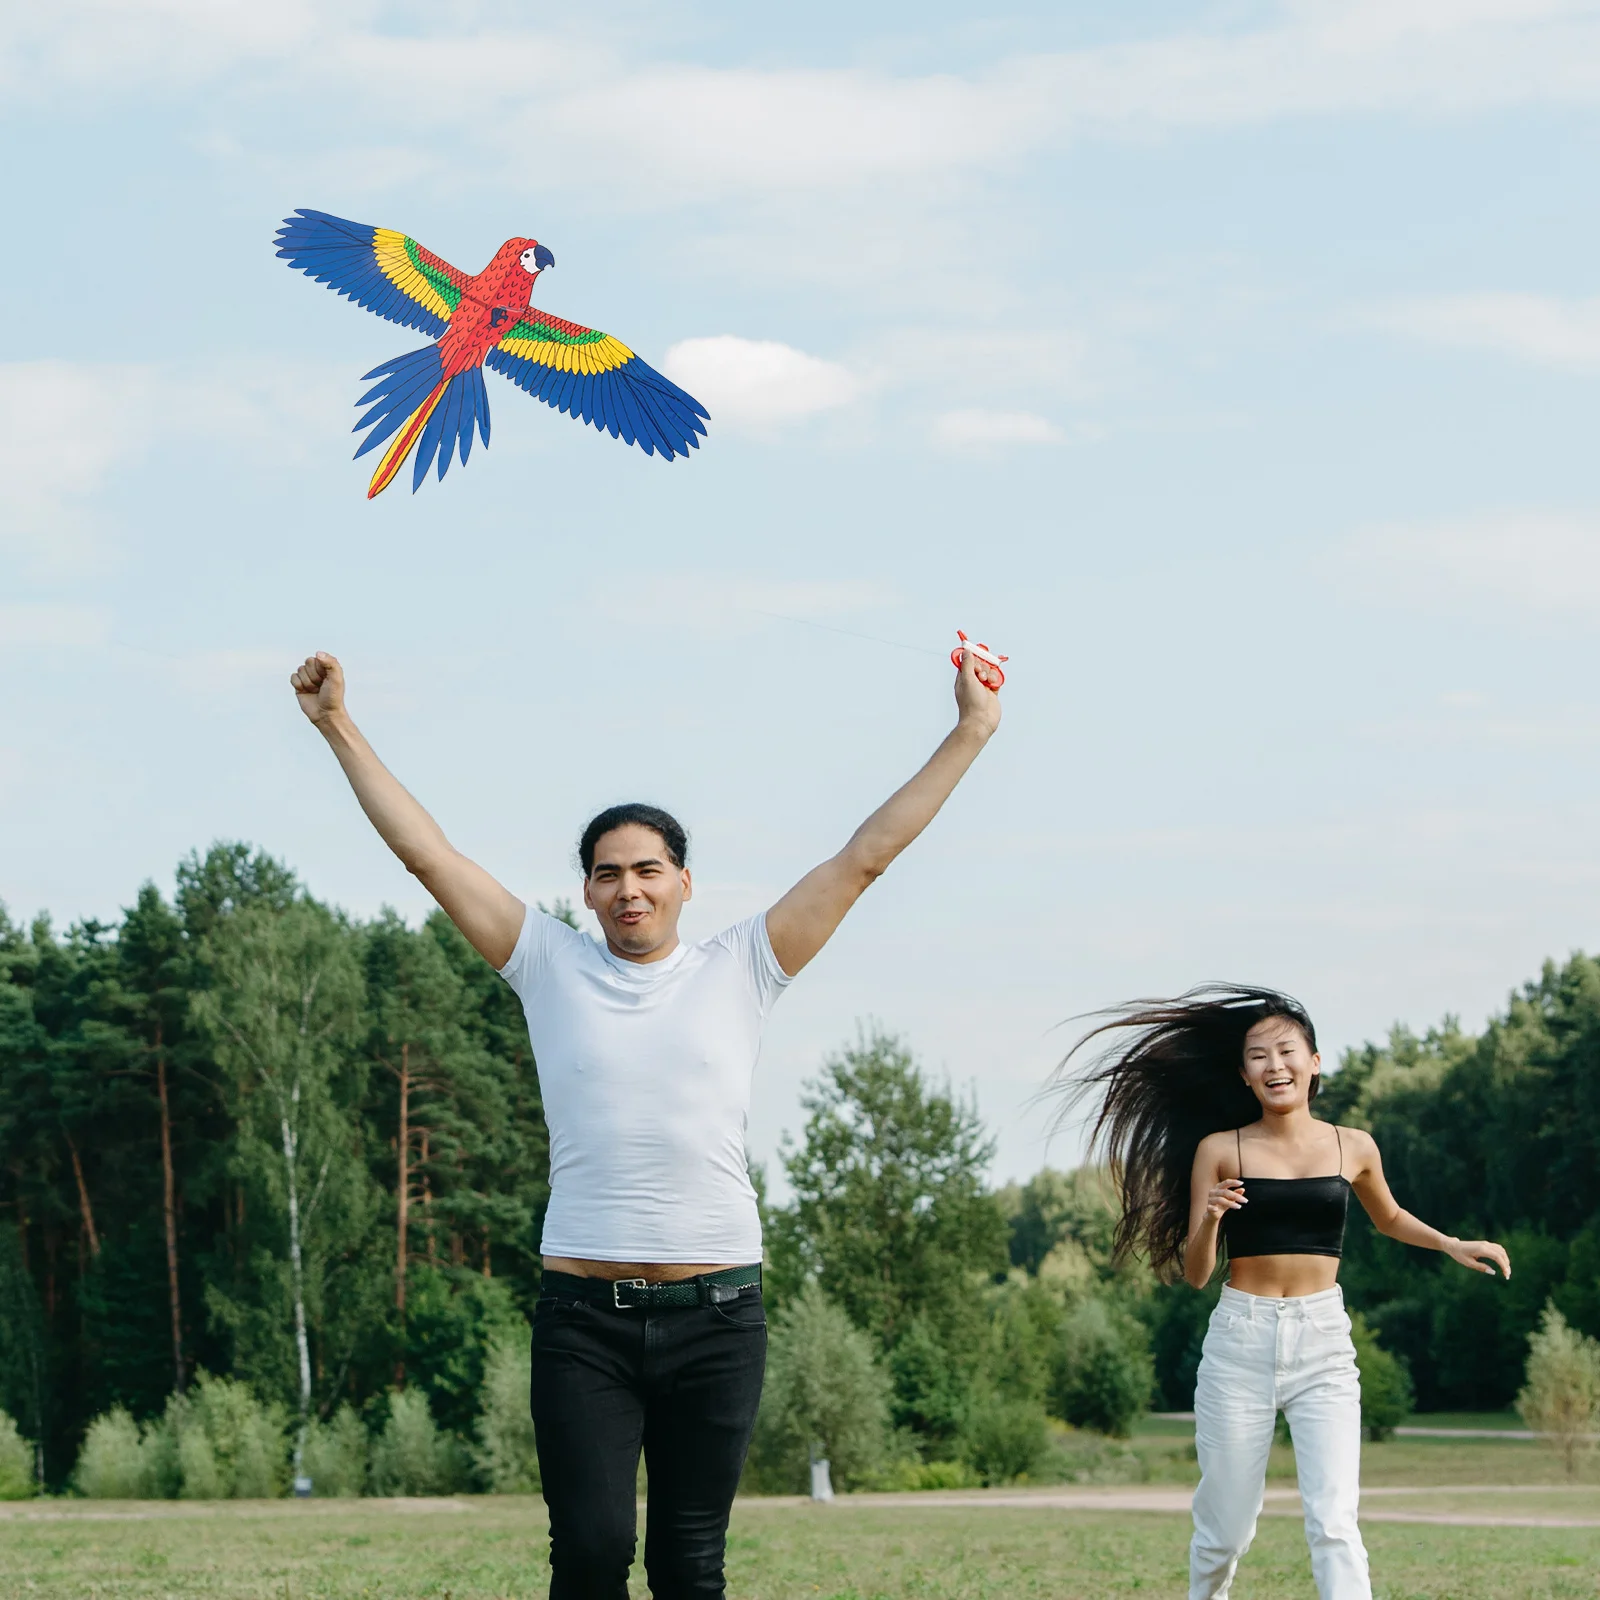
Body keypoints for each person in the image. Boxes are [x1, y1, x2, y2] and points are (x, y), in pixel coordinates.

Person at [287, 645, 1003, 1600]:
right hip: (584, 1321)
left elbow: (864, 858)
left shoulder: (743, 965)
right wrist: (337, 723)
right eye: (609, 873)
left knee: (688, 1565)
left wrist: (972, 730)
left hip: (719, 1317)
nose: (630, 888)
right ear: (585, 891)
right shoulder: (545, 961)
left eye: (649, 870)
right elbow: (427, 854)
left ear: (684, 882)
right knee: (589, 1552)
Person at [1056, 986, 1510, 1600]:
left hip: (1323, 1342)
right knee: (1225, 1532)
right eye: (1258, 1056)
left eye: (1287, 1051)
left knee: (1333, 1522)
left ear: (1314, 1062)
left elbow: (1391, 1217)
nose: (1275, 1065)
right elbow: (1195, 1273)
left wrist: (1452, 1244)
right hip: (1241, 1343)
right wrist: (1212, 1217)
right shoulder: (1220, 1150)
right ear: (1243, 1075)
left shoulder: (1354, 1146)